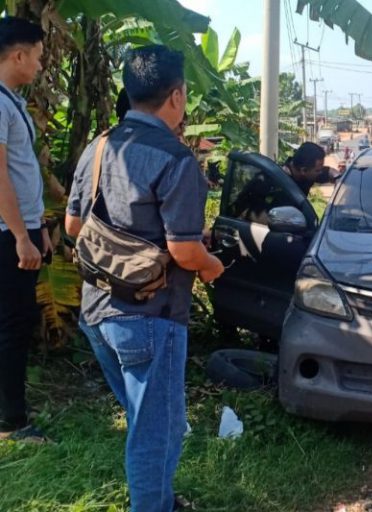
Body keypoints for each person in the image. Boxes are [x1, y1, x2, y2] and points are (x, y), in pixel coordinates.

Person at [65, 45, 224, 512]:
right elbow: (184, 251)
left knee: (147, 420)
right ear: (176, 96)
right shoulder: (176, 160)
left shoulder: (99, 146)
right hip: (150, 317)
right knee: (156, 430)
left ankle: (162, 501)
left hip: (97, 311)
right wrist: (211, 266)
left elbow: (74, 228)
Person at [0, 17, 50, 443]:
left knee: (16, 320)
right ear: (17, 55)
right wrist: (19, 235)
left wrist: (38, 227)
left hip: (22, 228)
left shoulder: (9, 100)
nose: (39, 65)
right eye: (36, 56)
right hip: (6, 233)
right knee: (12, 323)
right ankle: (11, 422)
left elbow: (22, 170)